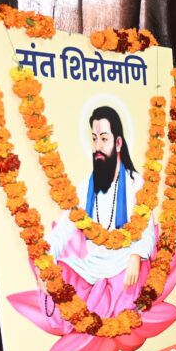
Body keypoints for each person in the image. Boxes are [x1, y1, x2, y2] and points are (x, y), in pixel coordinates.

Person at [46, 105, 156, 285]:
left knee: (138, 276)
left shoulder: (136, 184)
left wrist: (136, 255)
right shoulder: (84, 187)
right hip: (91, 269)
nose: (97, 146)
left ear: (118, 143)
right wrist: (46, 262)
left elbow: (148, 231)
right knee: (58, 274)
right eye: (94, 139)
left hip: (125, 264)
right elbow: (62, 230)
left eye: (104, 139)